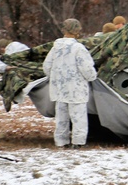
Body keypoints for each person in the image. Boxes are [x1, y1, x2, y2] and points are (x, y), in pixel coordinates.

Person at [42, 19, 98, 148]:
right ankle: (78, 142)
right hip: (76, 89)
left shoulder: (56, 47)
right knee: (78, 117)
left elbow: (46, 66)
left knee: (61, 117)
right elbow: (87, 69)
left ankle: (61, 141)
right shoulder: (78, 48)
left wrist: (56, 78)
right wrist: (92, 77)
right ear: (77, 30)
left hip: (59, 89)